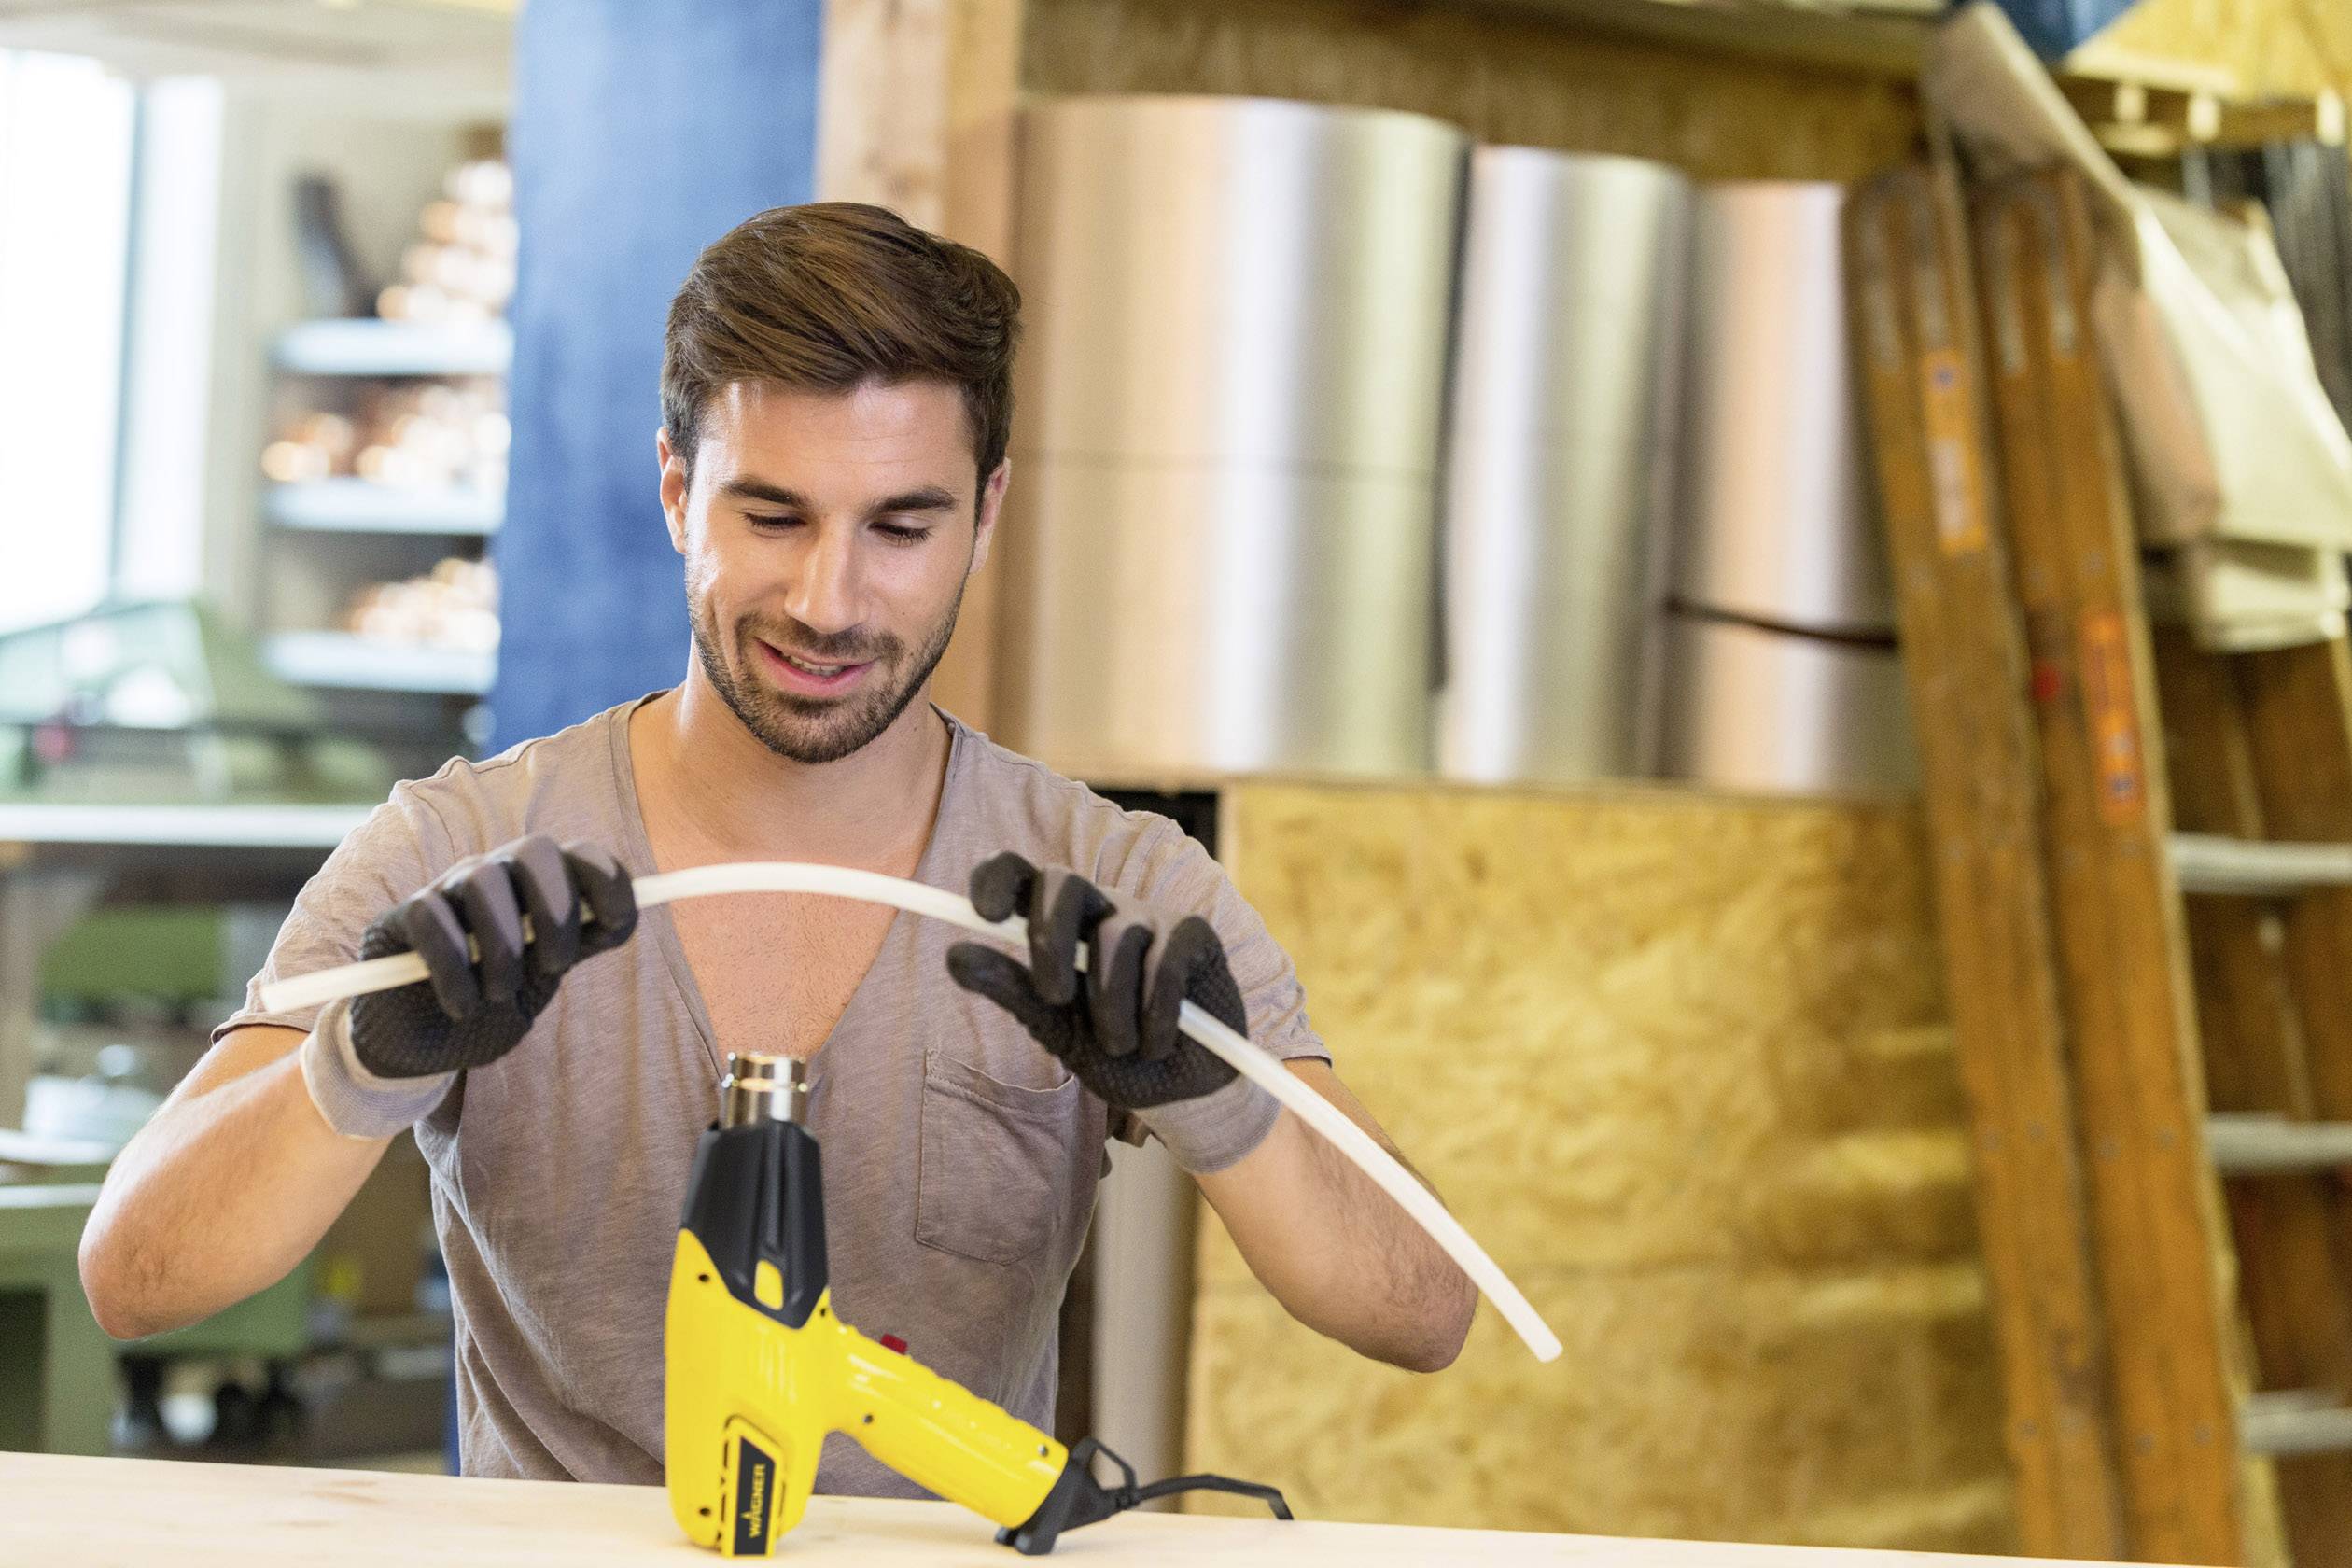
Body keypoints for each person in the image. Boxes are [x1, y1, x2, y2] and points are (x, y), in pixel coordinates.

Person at [78, 203, 1476, 1491]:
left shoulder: (1109, 887)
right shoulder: (460, 855)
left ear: (984, 516)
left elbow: (1425, 1312)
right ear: (679, 491)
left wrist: (1215, 1101)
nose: (828, 599)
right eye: (773, 514)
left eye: (901, 527)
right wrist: (359, 1063)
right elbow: (133, 1278)